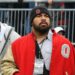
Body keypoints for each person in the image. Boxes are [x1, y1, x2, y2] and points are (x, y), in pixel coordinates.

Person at [0, 6, 75, 75]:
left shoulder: (65, 44)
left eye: (46, 16)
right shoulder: (17, 44)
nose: (43, 18)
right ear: (31, 22)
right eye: (39, 16)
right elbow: (6, 65)